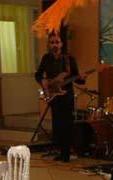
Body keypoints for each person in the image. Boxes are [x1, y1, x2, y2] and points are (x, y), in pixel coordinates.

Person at [34, 32, 85, 162]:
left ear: (61, 44)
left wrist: (81, 78)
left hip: (67, 96)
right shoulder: (46, 58)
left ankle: (66, 154)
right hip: (53, 96)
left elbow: (77, 78)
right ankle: (61, 152)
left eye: (57, 42)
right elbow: (38, 75)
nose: (55, 45)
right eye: (52, 42)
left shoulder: (69, 59)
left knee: (67, 124)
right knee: (57, 125)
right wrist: (43, 81)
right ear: (49, 44)